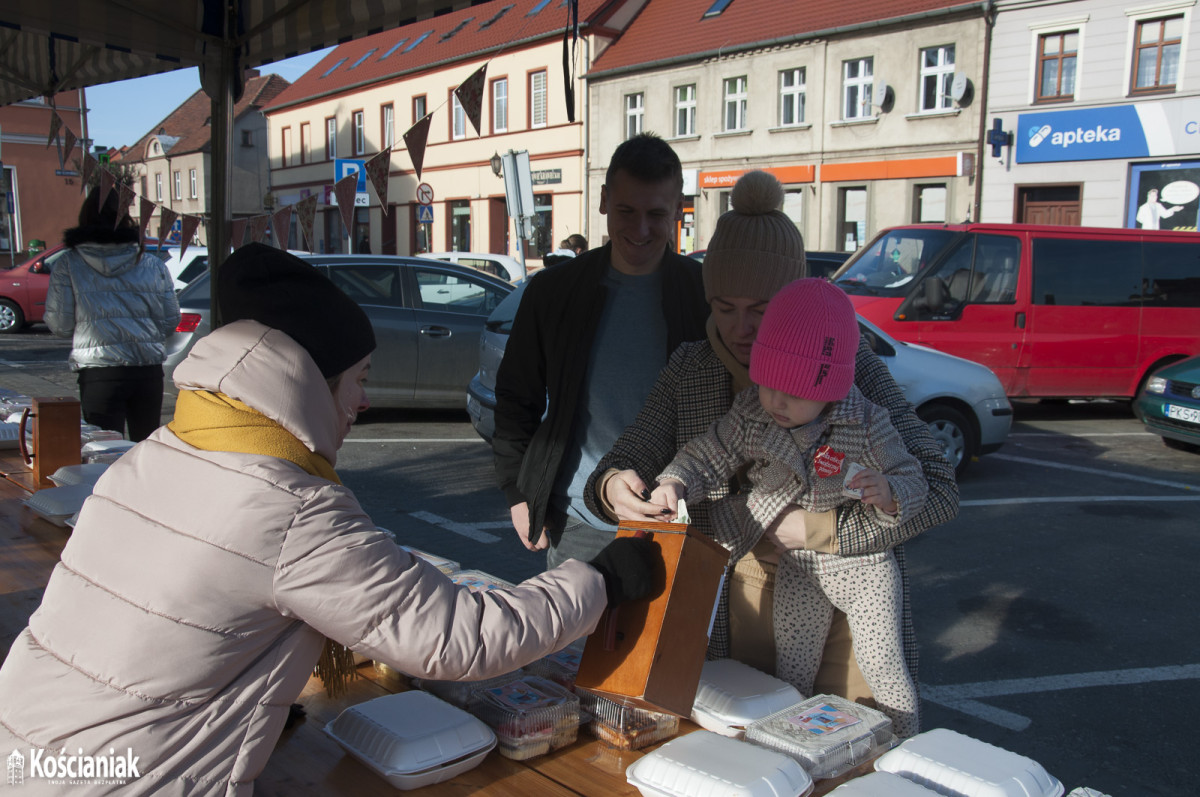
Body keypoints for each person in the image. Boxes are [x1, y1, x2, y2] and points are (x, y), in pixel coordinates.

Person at [0, 243, 657, 795]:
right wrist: (598, 579)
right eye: (359, 378)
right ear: (311, 382)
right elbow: (459, 636)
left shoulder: (164, 449)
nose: (364, 401)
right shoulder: (287, 507)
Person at [584, 170, 958, 706]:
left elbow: (938, 489)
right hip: (729, 614)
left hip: (843, 613)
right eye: (724, 308)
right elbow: (624, 461)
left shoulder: (850, 370)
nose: (741, 330)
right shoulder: (692, 368)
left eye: (761, 311)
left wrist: (823, 531)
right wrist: (616, 486)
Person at [651, 278, 926, 737]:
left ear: (831, 387)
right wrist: (675, 481)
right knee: (789, 677)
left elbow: (914, 477)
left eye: (794, 393)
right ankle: (793, 755)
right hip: (798, 570)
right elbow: (709, 453)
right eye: (767, 385)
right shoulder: (752, 414)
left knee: (884, 665)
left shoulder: (867, 421)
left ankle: (904, 744)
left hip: (863, 568)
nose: (776, 402)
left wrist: (890, 491)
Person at [492, 133, 709, 568]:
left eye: (656, 214)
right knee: (574, 639)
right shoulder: (554, 292)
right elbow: (517, 396)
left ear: (679, 209)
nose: (641, 229)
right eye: (627, 211)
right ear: (604, 200)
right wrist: (518, 491)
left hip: (682, 520)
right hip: (578, 521)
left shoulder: (704, 292)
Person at [44, 186, 181, 442]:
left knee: (102, 456)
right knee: (146, 452)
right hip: (147, 371)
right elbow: (170, 320)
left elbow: (59, 324)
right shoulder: (152, 263)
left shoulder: (68, 264)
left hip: (100, 372)